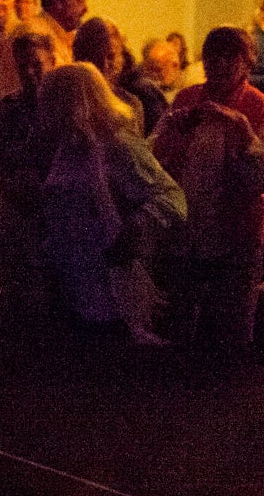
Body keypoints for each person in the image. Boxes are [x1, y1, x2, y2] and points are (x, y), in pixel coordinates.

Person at [150, 28, 264, 351]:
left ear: (247, 62)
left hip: (236, 240)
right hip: (184, 234)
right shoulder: (186, 99)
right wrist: (170, 132)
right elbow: (155, 159)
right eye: (212, 56)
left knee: (227, 335)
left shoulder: (259, 106)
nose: (219, 64)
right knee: (176, 330)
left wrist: (243, 131)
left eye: (229, 56)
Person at [36, 62, 184, 341]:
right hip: (73, 284)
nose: (44, 111)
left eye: (51, 101)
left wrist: (134, 228)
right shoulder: (68, 147)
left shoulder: (118, 145)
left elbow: (171, 197)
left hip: (111, 292)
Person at [0, 30, 61, 309]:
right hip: (18, 211)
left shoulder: (65, 107)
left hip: (55, 210)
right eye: (23, 67)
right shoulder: (9, 108)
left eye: (37, 65)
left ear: (52, 62)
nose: (29, 73)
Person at [76, 17, 159, 134]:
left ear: (122, 58)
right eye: (98, 57)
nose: (105, 65)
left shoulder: (133, 101)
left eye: (111, 57)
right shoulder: (74, 101)